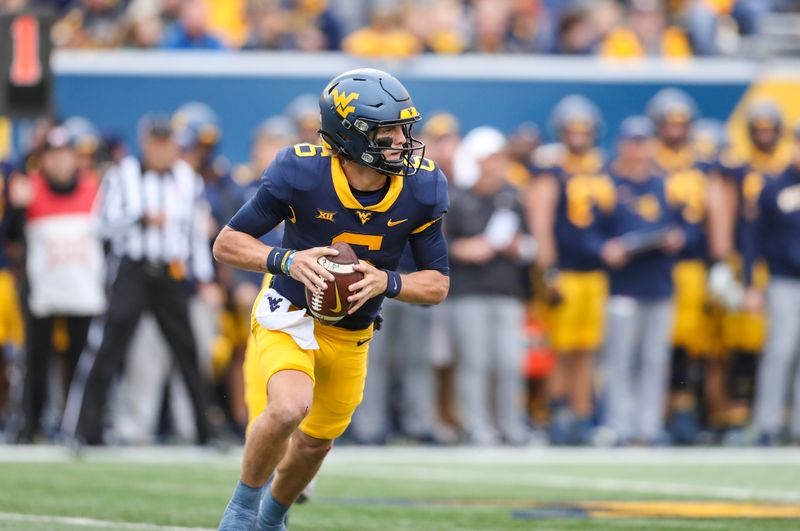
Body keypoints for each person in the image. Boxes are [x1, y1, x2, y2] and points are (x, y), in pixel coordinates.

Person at [214, 68, 449, 530]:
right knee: (288, 408)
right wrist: (286, 260)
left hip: (354, 331)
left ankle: (271, 519)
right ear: (349, 135)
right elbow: (226, 243)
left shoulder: (421, 187)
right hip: (291, 310)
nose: (401, 141)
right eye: (387, 132)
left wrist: (388, 282)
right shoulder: (302, 171)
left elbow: (437, 283)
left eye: (403, 129)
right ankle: (241, 512)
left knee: (316, 442)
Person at [63, 113, 218, 446]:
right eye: (156, 142)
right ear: (146, 142)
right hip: (132, 270)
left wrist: (204, 278)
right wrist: (139, 220)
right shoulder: (122, 175)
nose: (162, 150)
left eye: (167, 143)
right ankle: (82, 430)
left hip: (171, 273)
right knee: (107, 348)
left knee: (188, 351)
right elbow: (101, 225)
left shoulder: (189, 179)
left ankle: (206, 431)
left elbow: (194, 235)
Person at [596, 116, 692, 445]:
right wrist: (604, 249)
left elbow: (690, 227)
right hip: (623, 282)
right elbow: (590, 231)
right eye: (633, 142)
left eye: (643, 142)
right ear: (622, 145)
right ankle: (618, 424)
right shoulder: (607, 184)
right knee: (620, 358)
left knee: (654, 360)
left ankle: (649, 425)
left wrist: (680, 238)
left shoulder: (666, 184)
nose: (638, 150)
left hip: (658, 281)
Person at [529, 95, 613, 445]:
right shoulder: (552, 168)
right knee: (560, 349)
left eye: (584, 129)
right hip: (565, 271)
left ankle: (582, 415)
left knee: (587, 349)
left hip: (594, 274)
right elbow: (541, 221)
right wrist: (549, 270)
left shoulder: (601, 168)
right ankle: (555, 413)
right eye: (573, 129)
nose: (579, 135)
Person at [14, 127, 105, 442]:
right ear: (44, 160)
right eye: (53, 155)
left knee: (82, 361)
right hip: (43, 288)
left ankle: (82, 426)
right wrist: (15, 207)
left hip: (83, 287)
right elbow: (11, 238)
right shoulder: (30, 190)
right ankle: (31, 425)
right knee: (36, 359)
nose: (60, 161)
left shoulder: (94, 190)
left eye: (65, 154)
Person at [446, 126, 534, 446]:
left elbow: (530, 247)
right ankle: (475, 424)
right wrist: (465, 248)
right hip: (468, 291)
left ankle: (510, 423)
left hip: (506, 291)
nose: (495, 164)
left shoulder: (512, 196)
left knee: (509, 362)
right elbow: (442, 245)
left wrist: (517, 246)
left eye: (499, 158)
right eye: (489, 158)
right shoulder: (458, 197)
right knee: (474, 361)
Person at [710, 100, 792, 443]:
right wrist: (725, 259)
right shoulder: (739, 168)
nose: (764, 136)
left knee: (769, 346)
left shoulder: (783, 173)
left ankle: (778, 417)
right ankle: (734, 414)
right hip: (748, 266)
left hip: (773, 267)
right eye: (758, 130)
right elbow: (734, 219)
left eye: (769, 130)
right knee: (737, 343)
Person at [646, 88, 709, 444]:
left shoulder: (702, 163)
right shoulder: (646, 160)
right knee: (658, 344)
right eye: (668, 123)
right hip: (654, 265)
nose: (675, 129)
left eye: (681, 123)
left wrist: (720, 258)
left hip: (692, 265)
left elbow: (717, 211)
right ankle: (659, 413)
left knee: (690, 344)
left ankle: (684, 409)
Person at [749, 126, 800, 445]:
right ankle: (766, 424)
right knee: (779, 352)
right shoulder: (774, 187)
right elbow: (755, 238)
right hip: (783, 280)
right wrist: (752, 283)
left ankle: (797, 428)